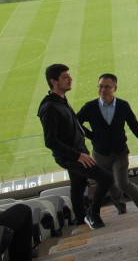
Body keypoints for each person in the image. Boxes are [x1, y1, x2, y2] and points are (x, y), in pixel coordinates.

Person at [38, 64, 113, 230]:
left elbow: (75, 123)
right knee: (106, 179)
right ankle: (92, 214)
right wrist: (78, 156)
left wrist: (94, 136)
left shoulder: (60, 100)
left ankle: (81, 220)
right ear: (53, 81)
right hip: (71, 156)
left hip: (79, 152)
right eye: (65, 77)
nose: (70, 79)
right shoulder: (49, 108)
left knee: (79, 185)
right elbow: (50, 141)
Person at [77, 74, 138, 214]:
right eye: (100, 86)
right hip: (100, 154)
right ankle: (121, 210)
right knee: (110, 184)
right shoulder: (90, 107)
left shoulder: (123, 105)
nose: (102, 90)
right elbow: (75, 122)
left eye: (107, 87)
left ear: (115, 88)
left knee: (123, 183)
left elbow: (133, 123)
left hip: (120, 152)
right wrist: (92, 135)